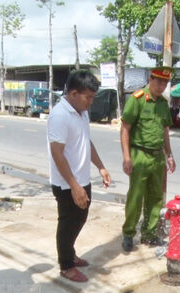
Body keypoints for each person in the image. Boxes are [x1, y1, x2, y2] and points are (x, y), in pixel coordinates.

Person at [47, 70, 111, 282]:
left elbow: (86, 142)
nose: (91, 102)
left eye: (93, 97)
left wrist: (101, 167)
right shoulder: (60, 115)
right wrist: (74, 186)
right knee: (68, 222)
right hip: (66, 183)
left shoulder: (82, 112)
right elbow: (57, 153)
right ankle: (66, 265)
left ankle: (70, 252)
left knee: (80, 218)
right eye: (88, 97)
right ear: (74, 93)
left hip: (82, 179)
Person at [120, 66, 176, 252]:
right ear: (150, 79)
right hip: (139, 155)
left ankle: (149, 234)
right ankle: (128, 234)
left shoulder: (163, 104)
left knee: (155, 198)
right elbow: (125, 129)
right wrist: (127, 157)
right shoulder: (137, 100)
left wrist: (169, 155)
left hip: (157, 156)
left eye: (165, 83)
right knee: (136, 196)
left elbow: (165, 131)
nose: (161, 86)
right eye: (159, 81)